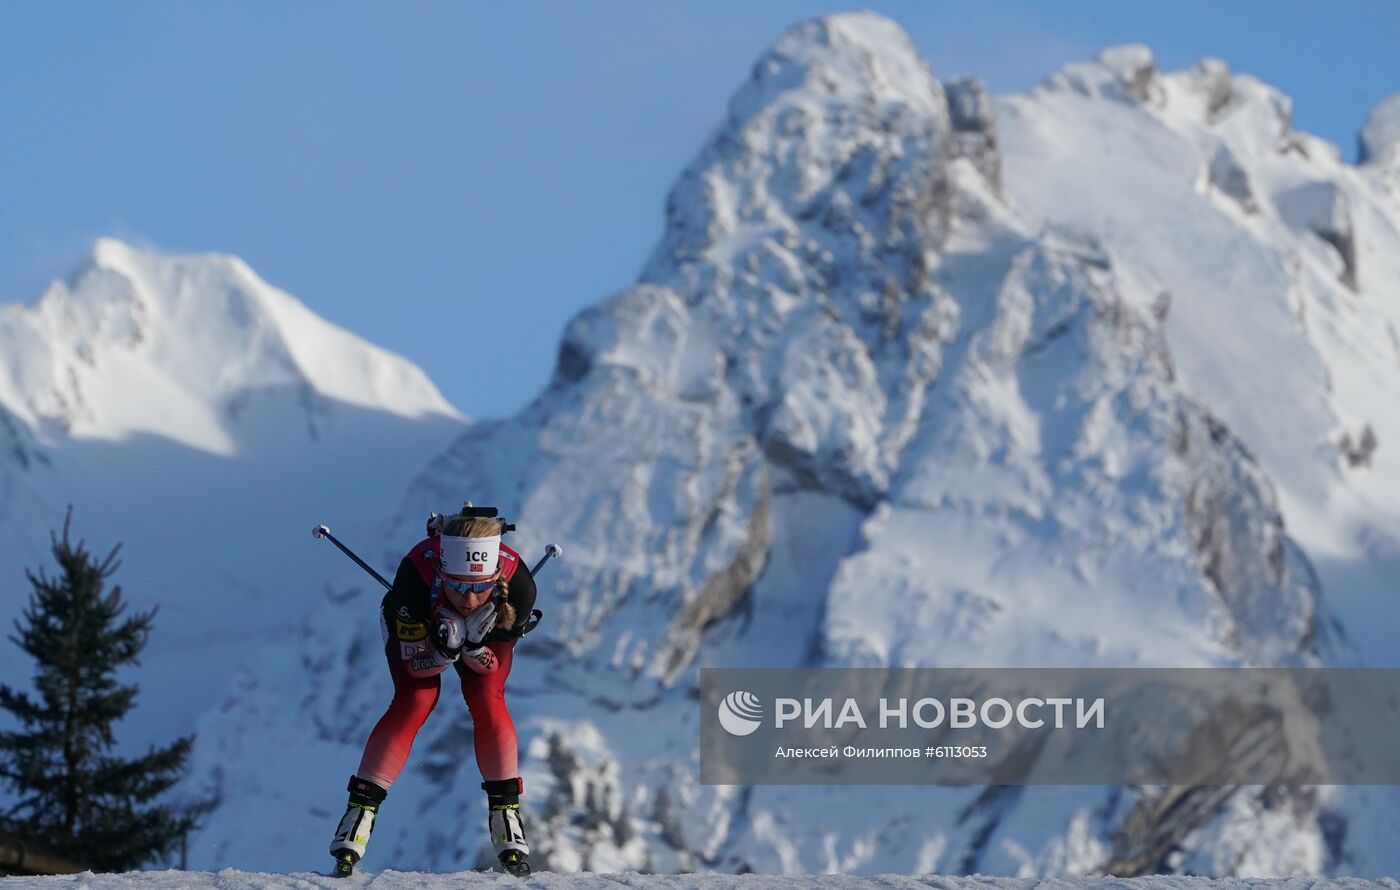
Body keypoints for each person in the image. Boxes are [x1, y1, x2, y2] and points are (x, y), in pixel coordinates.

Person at [328, 505, 538, 877]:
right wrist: (445, 651)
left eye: (478, 588)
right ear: (441, 571)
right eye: (457, 586)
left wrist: (472, 648)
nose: (468, 599)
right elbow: (414, 665)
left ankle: (506, 812)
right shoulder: (415, 578)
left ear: (496, 578)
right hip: (421, 624)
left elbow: (494, 670)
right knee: (417, 698)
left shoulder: (519, 587)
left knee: (486, 695)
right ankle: (360, 812)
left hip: (479, 637)